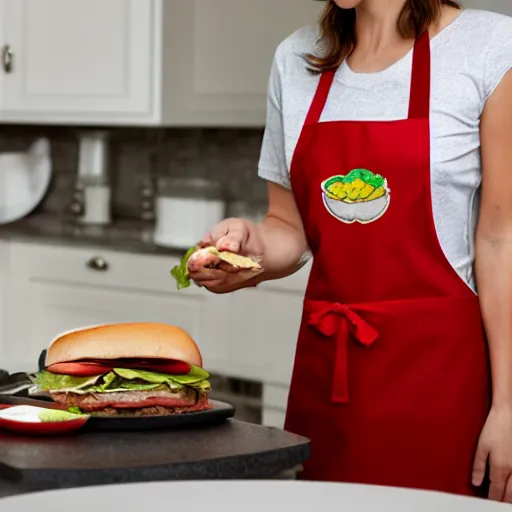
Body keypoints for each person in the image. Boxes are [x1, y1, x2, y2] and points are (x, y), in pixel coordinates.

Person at [188, 0, 512, 502]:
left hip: (443, 385)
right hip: (330, 383)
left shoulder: (489, 47)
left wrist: (508, 409)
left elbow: (500, 240)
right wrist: (248, 252)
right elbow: (288, 228)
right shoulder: (296, 58)